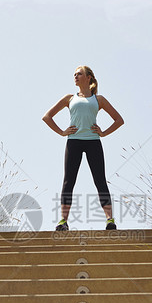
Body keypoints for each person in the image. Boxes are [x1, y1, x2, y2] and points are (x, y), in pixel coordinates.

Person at [42, 65, 124, 231]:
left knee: (100, 180)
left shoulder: (98, 99)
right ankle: (63, 222)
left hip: (93, 142)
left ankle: (110, 220)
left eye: (79, 74)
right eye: (74, 74)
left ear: (89, 78)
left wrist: (104, 133)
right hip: (74, 142)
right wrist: (62, 132)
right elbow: (47, 116)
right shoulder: (69, 98)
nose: (75, 76)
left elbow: (119, 120)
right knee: (68, 181)